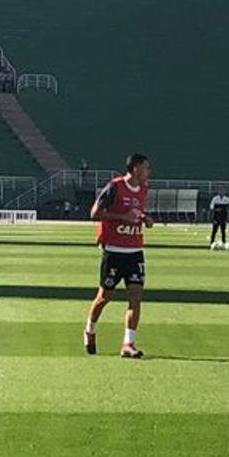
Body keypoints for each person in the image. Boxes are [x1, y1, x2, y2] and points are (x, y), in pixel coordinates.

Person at [85, 153, 152, 359]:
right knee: (104, 297)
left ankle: (128, 343)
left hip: (134, 251)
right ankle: (90, 329)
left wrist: (144, 218)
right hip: (114, 251)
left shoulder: (144, 189)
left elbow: (137, 212)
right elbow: (94, 213)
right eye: (146, 167)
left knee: (135, 298)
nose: (148, 171)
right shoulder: (115, 187)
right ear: (135, 168)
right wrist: (122, 217)